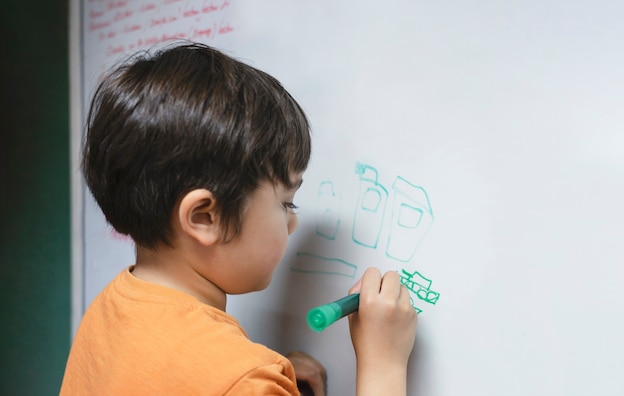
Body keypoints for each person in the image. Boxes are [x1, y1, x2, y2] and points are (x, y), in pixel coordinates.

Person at [60, 42, 417, 396]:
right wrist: (382, 365)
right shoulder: (245, 380)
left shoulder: (109, 311)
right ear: (204, 218)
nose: (292, 223)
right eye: (286, 204)